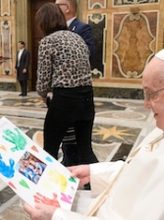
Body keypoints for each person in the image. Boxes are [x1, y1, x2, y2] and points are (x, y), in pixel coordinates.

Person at [24, 43, 164, 219]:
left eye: (152, 94)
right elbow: (145, 172)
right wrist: (94, 171)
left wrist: (57, 217)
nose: (146, 104)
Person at [35, 3, 98, 166]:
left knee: (49, 151)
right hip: (86, 98)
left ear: (44, 22)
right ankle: (99, 186)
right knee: (86, 150)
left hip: (65, 100)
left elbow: (43, 76)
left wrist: (42, 94)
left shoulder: (48, 41)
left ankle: (48, 189)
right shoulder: (77, 38)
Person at [54, 0, 95, 167]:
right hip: (60, 93)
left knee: (79, 140)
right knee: (66, 136)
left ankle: (85, 172)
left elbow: (89, 55)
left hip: (77, 93)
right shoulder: (55, 31)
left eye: (57, 5)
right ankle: (69, 161)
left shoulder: (82, 28)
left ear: (67, 7)